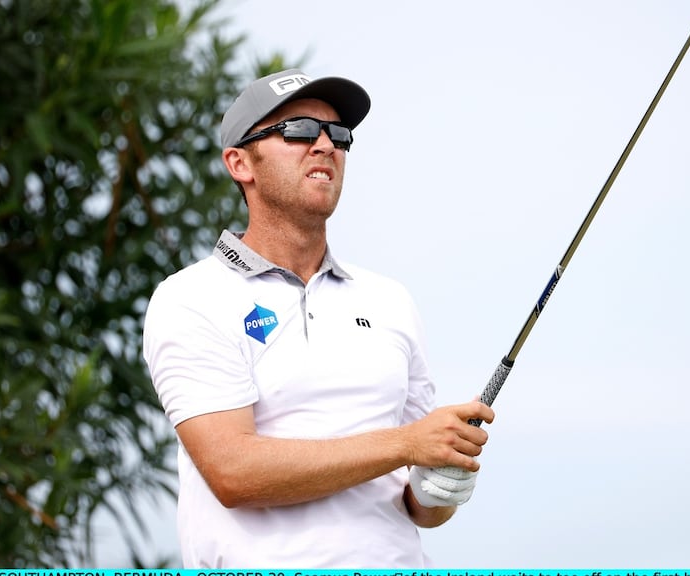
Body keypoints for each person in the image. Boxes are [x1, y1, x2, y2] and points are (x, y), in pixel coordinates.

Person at [142, 68, 495, 568]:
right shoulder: (190, 297)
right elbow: (234, 474)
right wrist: (408, 445)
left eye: (340, 135)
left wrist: (442, 481)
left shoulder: (391, 301)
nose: (326, 145)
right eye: (300, 130)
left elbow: (420, 507)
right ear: (240, 162)